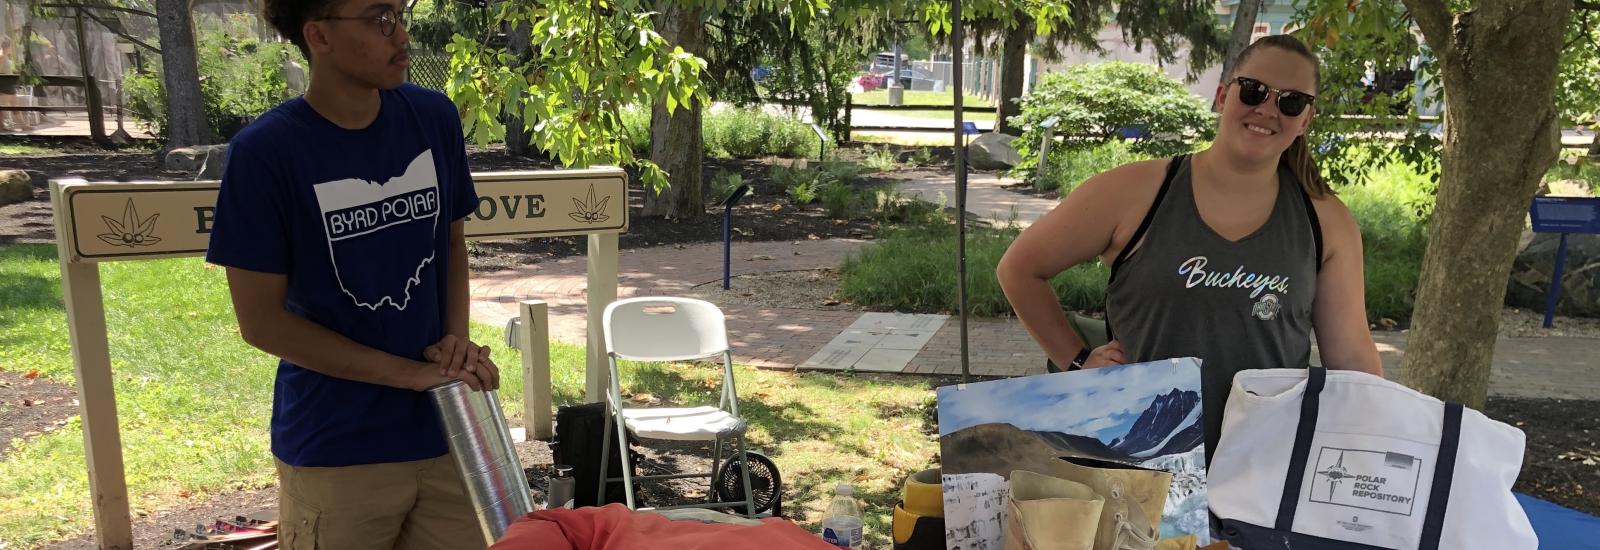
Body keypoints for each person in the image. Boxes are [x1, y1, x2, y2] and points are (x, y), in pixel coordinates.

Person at [996, 34, 1383, 460]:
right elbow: (1020, 269)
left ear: (1306, 119)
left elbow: (1350, 357)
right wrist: (1076, 364)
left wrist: (1376, 446)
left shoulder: (1326, 220)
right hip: (1142, 462)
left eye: (1290, 101)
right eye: (1253, 90)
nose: (1268, 109)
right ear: (1222, 95)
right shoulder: (1136, 191)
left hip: (1265, 468)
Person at [205, 0, 500, 546]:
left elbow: (451, 243)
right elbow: (262, 323)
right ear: (318, 36)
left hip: (446, 435)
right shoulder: (265, 153)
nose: (402, 33)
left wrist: (455, 343)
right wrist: (410, 375)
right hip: (336, 449)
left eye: (400, 13)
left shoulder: (433, 118)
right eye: (379, 19)